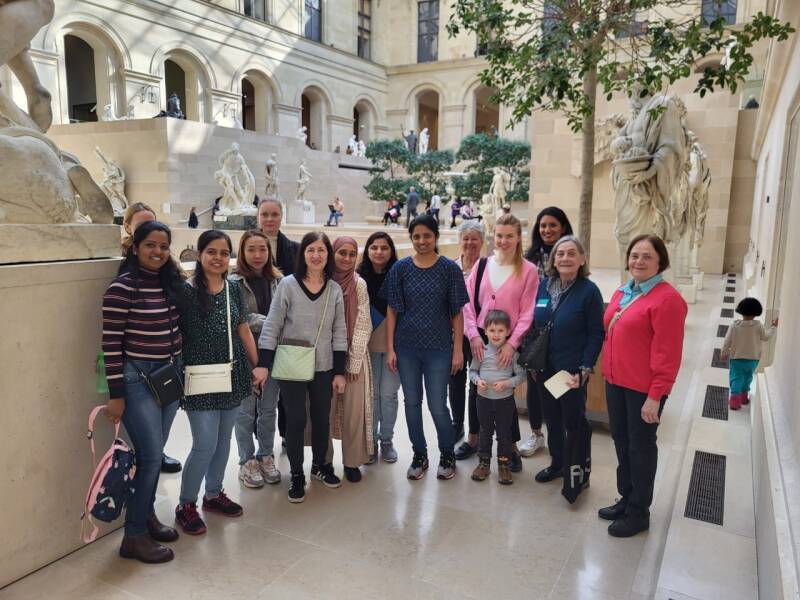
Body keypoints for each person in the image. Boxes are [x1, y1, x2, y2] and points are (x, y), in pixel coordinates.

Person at [101, 221, 184, 563]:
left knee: (155, 453)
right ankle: (133, 536)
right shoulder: (122, 289)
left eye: (164, 246)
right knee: (150, 457)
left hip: (168, 375)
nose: (158, 252)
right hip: (137, 379)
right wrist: (116, 395)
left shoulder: (169, 283)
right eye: (150, 245)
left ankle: (146, 516)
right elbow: (110, 345)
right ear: (135, 248)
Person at [600, 234, 687, 537]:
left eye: (647, 256)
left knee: (640, 448)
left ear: (660, 262)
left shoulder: (668, 300)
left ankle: (639, 512)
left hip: (643, 391)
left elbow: (668, 354)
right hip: (615, 382)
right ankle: (626, 498)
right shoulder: (623, 291)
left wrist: (656, 396)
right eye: (635, 255)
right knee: (621, 442)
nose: (638, 261)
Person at [175, 230, 259, 535]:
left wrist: (256, 365)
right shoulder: (185, 292)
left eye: (224, 253)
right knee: (205, 443)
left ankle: (213, 494)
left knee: (224, 441)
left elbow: (243, 328)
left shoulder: (233, 288)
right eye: (211, 251)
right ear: (200, 255)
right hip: (199, 378)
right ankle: (186, 504)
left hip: (232, 374)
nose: (218, 258)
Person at [254, 232, 348, 503]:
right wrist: (263, 365)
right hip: (292, 365)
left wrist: (339, 372)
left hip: (324, 366)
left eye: (321, 250)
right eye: (310, 250)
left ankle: (320, 465)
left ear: (328, 255)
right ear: (303, 254)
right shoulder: (288, 285)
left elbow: (339, 331)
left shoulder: (334, 289)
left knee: (321, 418)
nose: (316, 255)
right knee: (295, 420)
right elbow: (272, 326)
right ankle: (296, 473)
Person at [384, 214, 470, 480]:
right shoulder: (400, 268)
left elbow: (457, 312)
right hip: (406, 348)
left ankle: (447, 454)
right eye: (416, 236)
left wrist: (458, 349)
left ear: (436, 237)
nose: (421, 241)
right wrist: (390, 348)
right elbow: (392, 310)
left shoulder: (449, 269)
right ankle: (419, 455)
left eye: (427, 236)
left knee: (437, 405)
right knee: (411, 403)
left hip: (439, 349)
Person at [458, 214, 539, 472]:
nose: (503, 241)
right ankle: (473, 439)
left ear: (518, 238)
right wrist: (473, 334)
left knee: (504, 395)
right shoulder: (482, 265)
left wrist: (512, 343)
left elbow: (527, 312)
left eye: (509, 236)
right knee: (477, 389)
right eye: (499, 235)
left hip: (508, 341)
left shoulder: (528, 270)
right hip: (481, 338)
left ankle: (510, 447)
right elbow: (466, 303)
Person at [531, 235, 604, 504]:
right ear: (553, 259)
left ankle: (577, 473)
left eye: (571, 253)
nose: (565, 258)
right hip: (545, 369)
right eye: (560, 254)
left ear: (582, 259)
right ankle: (558, 463)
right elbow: (536, 324)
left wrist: (585, 368)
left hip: (570, 372)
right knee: (552, 418)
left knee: (573, 422)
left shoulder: (589, 291)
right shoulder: (543, 285)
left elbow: (596, 333)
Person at [120, 202, 183, 474]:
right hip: (138, 369)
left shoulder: (169, 274)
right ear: (129, 230)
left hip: (169, 365)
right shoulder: (124, 276)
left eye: (163, 245)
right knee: (147, 448)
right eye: (143, 227)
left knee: (156, 442)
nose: (157, 250)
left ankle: (152, 468)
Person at [519, 206, 575, 458]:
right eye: (543, 225)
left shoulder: (570, 253)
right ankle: (536, 434)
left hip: (562, 334)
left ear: (563, 227)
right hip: (535, 331)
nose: (547, 230)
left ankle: (559, 437)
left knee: (559, 387)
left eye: (552, 225)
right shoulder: (530, 258)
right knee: (534, 385)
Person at [229, 231, 283, 488]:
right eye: (251, 249)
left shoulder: (280, 280)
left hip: (272, 353)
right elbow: (240, 317)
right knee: (245, 411)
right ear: (242, 251)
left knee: (268, 409)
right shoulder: (233, 282)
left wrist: (273, 325)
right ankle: (246, 460)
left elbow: (288, 312)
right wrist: (272, 322)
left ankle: (265, 455)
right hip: (243, 354)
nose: (257, 254)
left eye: (262, 249)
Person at [326, 237, 373, 482]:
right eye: (341, 252)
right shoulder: (322, 280)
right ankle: (323, 461)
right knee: (324, 410)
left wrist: (353, 362)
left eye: (352, 254)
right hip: (325, 357)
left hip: (355, 355)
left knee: (354, 412)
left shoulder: (359, 284)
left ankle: (352, 462)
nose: (346, 258)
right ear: (332, 253)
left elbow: (364, 322)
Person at [469, 310, 527, 485]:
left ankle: (504, 465)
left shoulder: (512, 354)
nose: (496, 334)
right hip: (483, 401)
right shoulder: (481, 351)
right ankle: (483, 464)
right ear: (485, 331)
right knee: (485, 432)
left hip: (505, 402)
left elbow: (521, 376)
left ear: (508, 332)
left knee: (504, 434)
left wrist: (507, 384)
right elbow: (472, 371)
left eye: (500, 331)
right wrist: (478, 381)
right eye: (492, 330)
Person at [359, 232, 401, 464]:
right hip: (368, 346)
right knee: (372, 396)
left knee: (389, 394)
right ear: (367, 250)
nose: (379, 252)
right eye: (374, 247)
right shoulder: (358, 278)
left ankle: (387, 440)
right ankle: (371, 440)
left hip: (395, 346)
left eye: (384, 248)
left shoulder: (399, 275)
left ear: (391, 251)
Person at [449, 220, 485, 444]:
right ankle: (457, 424)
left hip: (480, 333)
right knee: (455, 378)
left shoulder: (487, 267)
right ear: (459, 241)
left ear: (482, 241)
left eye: (474, 239)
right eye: (466, 238)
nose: (470, 243)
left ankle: (475, 430)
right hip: (454, 333)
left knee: (476, 381)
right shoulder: (451, 267)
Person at [720, 297, 777, 410]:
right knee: (747, 378)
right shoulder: (758, 326)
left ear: (741, 311)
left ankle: (734, 402)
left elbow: (727, 341)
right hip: (753, 360)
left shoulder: (734, 325)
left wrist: (724, 352)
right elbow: (766, 337)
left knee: (736, 378)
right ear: (756, 312)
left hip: (736, 359)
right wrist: (774, 327)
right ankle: (744, 398)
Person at [258, 198, 299, 276]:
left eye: (274, 215)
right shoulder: (248, 246)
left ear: (282, 216)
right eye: (264, 215)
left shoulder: (297, 249)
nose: (269, 219)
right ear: (258, 217)